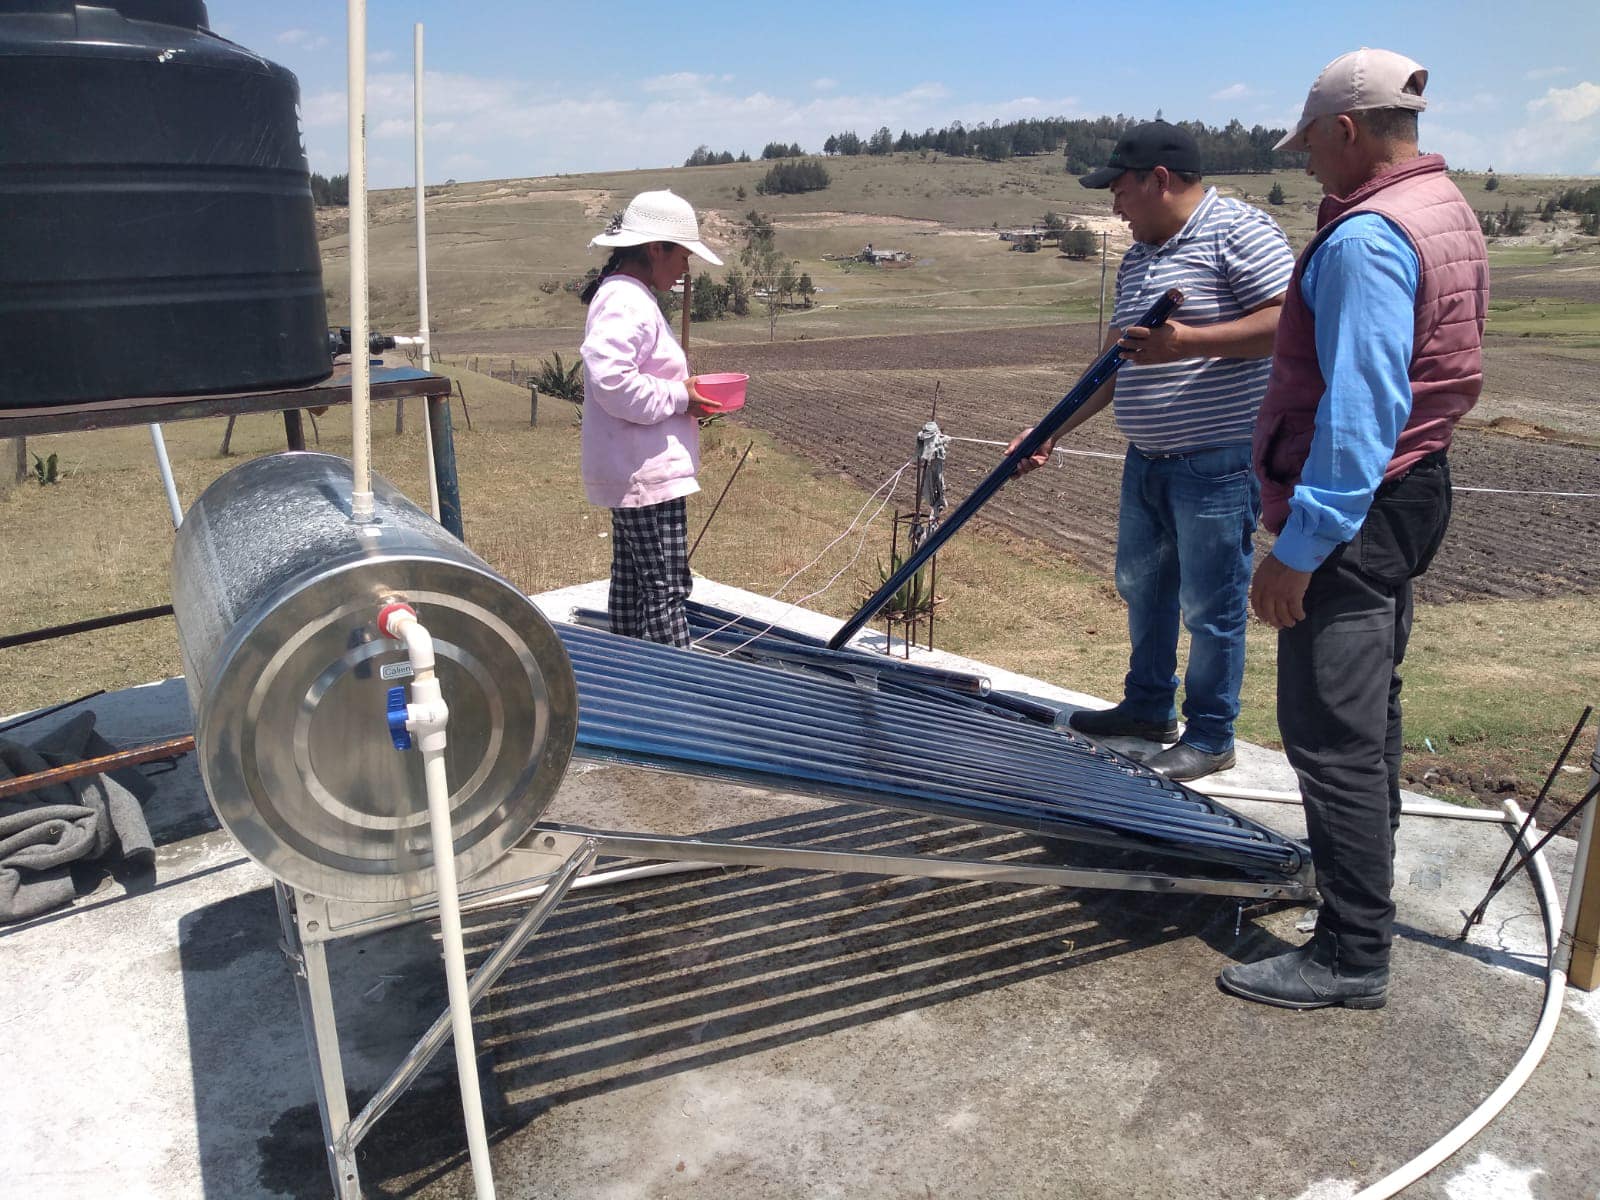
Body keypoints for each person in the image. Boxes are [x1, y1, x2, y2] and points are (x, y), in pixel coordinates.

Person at [1220, 49, 1488, 1010]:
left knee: (1330, 733)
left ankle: (1351, 953)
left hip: (1356, 508)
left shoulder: (1369, 237)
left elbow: (1359, 410)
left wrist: (1299, 549)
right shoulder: (1442, 208)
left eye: (1311, 147)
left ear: (1347, 130)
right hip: (1415, 486)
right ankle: (1362, 885)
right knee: (1369, 715)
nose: (1306, 168)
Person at [1012, 120, 1294, 782]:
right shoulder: (1141, 256)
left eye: (1119, 189)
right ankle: (1146, 710)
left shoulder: (1239, 231)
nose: (1114, 204)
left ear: (1158, 180)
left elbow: (1290, 321)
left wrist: (1188, 343)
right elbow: (1113, 364)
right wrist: (1050, 428)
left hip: (1217, 462)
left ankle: (1211, 734)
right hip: (1147, 459)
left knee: (1211, 604)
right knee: (1143, 588)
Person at [580, 189, 722, 648]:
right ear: (655, 249)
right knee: (665, 587)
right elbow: (613, 382)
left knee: (633, 584)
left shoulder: (624, 295)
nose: (685, 268)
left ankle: (628, 676)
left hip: (633, 468)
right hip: (646, 472)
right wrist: (681, 398)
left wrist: (680, 396)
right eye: (682, 255)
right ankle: (676, 688)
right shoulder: (626, 302)